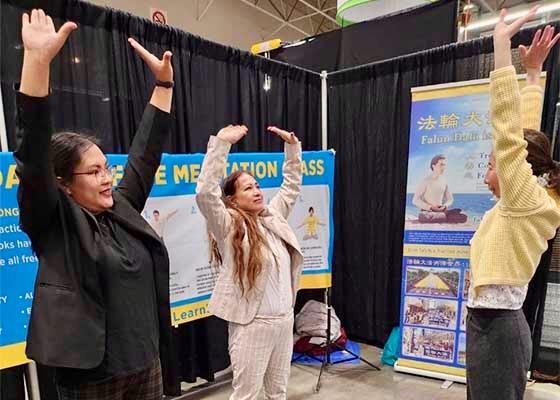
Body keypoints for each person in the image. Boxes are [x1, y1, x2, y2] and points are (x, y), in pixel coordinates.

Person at [15, 9, 176, 399]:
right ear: (64, 184)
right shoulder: (54, 223)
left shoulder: (120, 207)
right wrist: (36, 62)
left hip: (146, 363)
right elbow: (33, 153)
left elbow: (145, 154)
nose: (107, 178)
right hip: (93, 377)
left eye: (107, 168)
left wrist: (164, 85)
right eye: (95, 172)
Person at [466, 8, 560, 400]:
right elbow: (525, 133)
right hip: (491, 323)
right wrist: (535, 76)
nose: (487, 173)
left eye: (491, 165)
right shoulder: (533, 197)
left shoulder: (523, 200)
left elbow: (508, 129)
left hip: (498, 329)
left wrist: (501, 47)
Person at [196, 124, 303, 400]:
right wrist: (221, 144)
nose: (256, 191)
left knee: (277, 393)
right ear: (232, 199)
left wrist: (292, 149)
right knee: (247, 395)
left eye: (257, 186)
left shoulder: (272, 216)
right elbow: (206, 193)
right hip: (253, 325)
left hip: (283, 322)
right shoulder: (229, 225)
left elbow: (291, 187)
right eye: (247, 188)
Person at [413, 155, 467, 223]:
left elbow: (450, 199)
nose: (443, 167)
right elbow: (415, 200)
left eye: (444, 165)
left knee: (464, 217)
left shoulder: (444, 181)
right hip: (427, 212)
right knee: (424, 217)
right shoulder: (425, 181)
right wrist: (431, 207)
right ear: (433, 166)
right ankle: (446, 215)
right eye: (441, 165)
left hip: (441, 211)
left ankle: (444, 215)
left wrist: (445, 206)